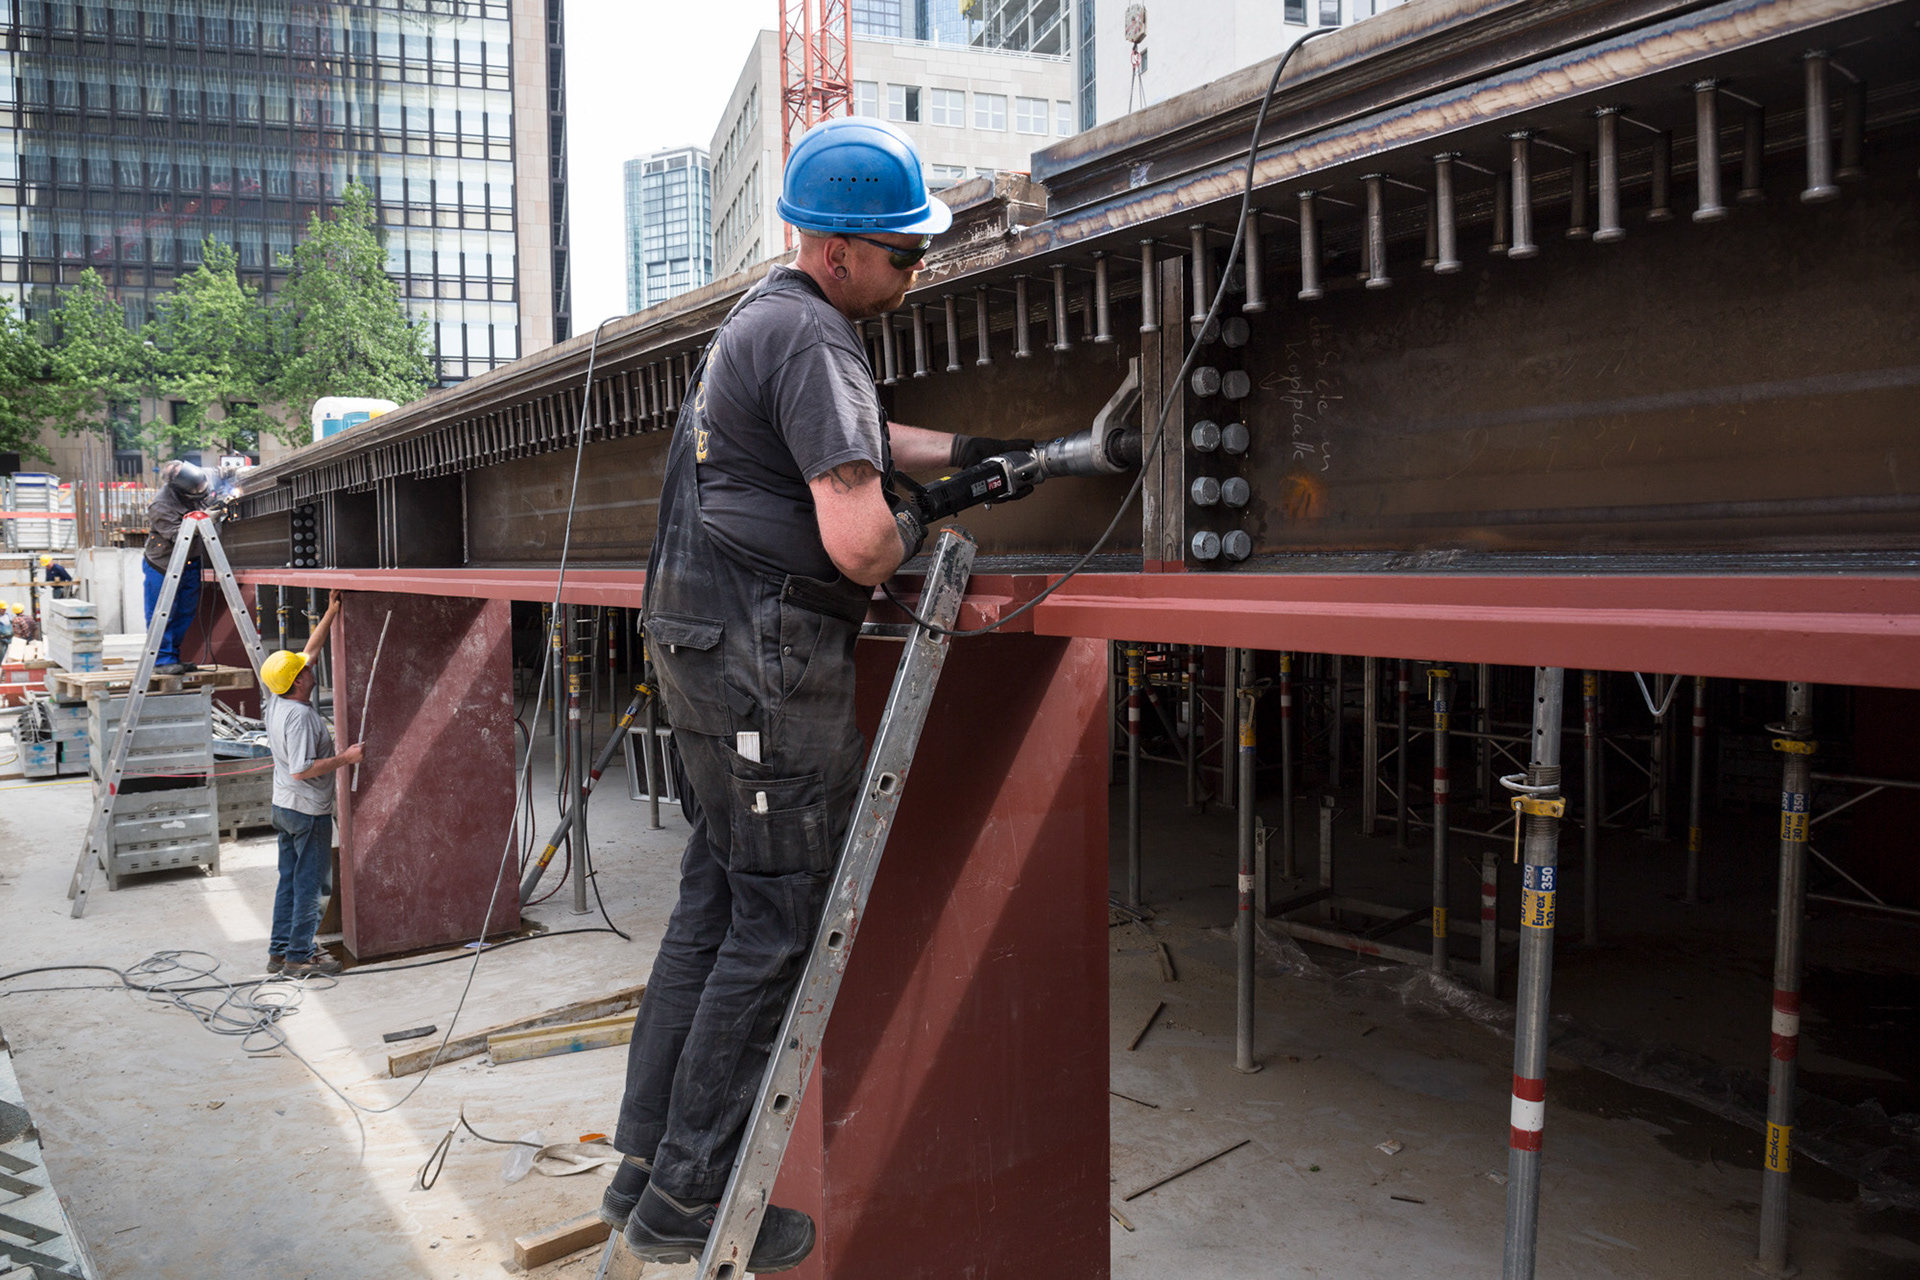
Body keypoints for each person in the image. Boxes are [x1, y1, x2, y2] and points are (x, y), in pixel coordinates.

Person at [604, 117, 1031, 1271]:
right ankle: (694, 1198)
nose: (916, 268)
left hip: (702, 650)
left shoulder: (765, 321)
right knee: (778, 923)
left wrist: (976, 448)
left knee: (714, 903)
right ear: (838, 251)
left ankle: (646, 1166)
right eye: (904, 253)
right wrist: (943, 508)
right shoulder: (817, 335)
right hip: (766, 662)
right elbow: (858, 547)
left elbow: (853, 433)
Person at [258, 593, 362, 979]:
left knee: (289, 882)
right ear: (299, 681)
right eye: (304, 669)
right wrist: (346, 759)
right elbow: (303, 769)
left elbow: (309, 652)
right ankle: (299, 957)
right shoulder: (300, 717)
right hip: (306, 810)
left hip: (284, 807)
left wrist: (332, 612)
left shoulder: (277, 697)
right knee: (311, 888)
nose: (309, 666)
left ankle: (280, 951)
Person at [143, 460, 213, 676]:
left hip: (190, 562)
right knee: (163, 613)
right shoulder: (160, 505)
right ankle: (162, 660)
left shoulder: (194, 485)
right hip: (163, 564)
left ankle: (172, 657)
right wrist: (208, 517)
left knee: (185, 612)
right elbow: (177, 535)